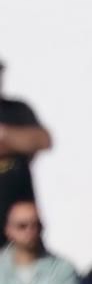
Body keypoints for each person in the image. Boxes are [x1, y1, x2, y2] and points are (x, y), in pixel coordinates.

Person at [0, 59, 53, 221]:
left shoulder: (18, 110)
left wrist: (5, 135)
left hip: (22, 220)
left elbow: (43, 140)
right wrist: (18, 144)